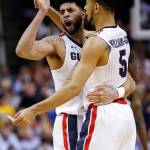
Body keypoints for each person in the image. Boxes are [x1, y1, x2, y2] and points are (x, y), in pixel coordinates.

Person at [10, 0, 136, 149]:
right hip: (72, 119)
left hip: (97, 115)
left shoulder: (95, 41)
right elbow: (22, 51)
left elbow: (129, 81)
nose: (65, 15)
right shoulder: (57, 43)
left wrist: (117, 92)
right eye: (62, 12)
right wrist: (43, 11)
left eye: (70, 11)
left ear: (83, 14)